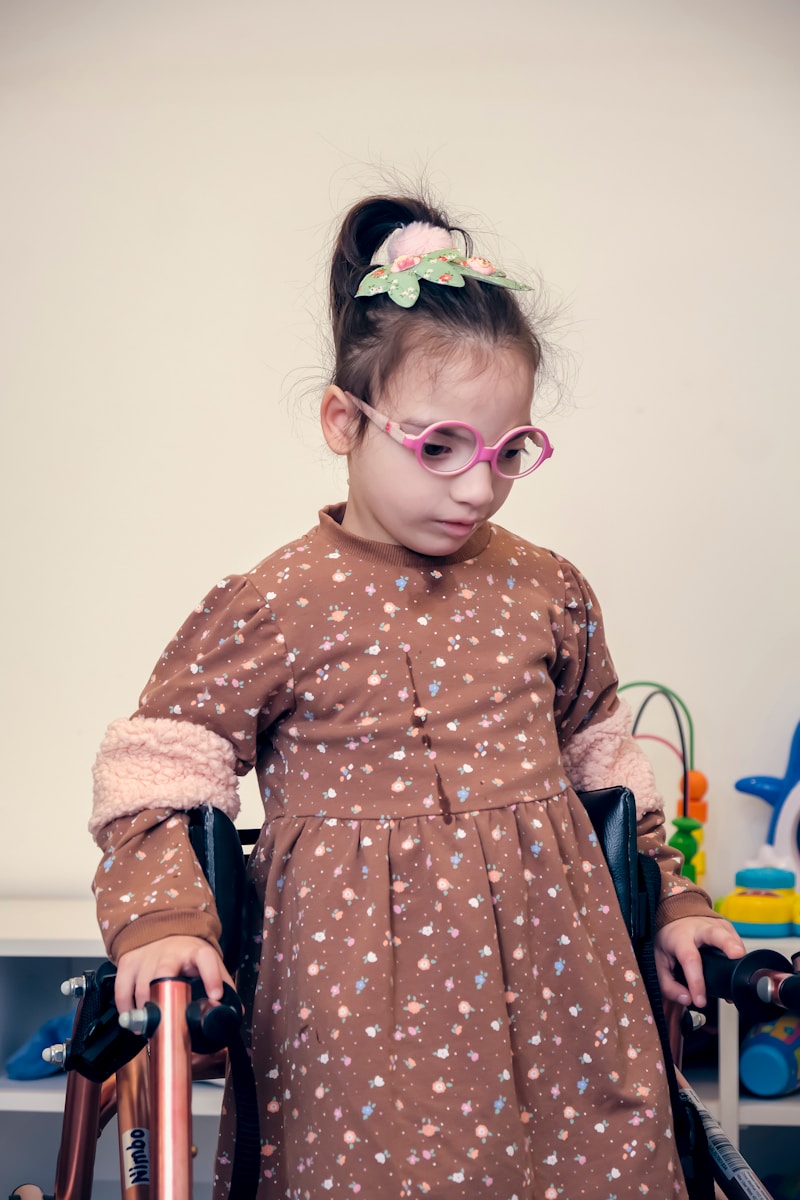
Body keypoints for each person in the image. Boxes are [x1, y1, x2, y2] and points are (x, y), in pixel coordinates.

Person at [90, 193, 744, 1200]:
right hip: (358, 1003)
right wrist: (164, 920)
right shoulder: (277, 602)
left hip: (564, 981)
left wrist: (675, 903)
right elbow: (157, 766)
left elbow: (604, 766)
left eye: (507, 453)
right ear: (342, 421)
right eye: (439, 447)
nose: (476, 490)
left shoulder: (546, 586)